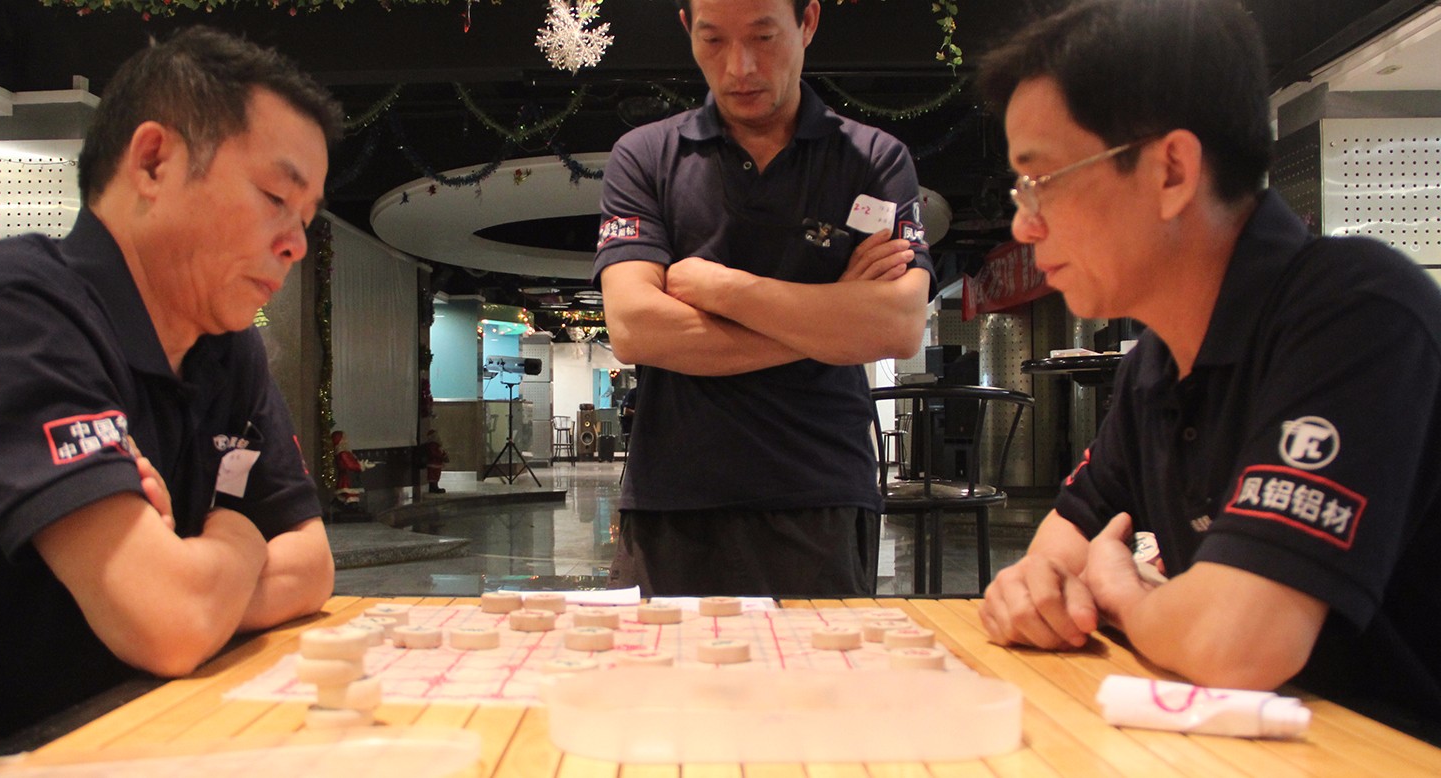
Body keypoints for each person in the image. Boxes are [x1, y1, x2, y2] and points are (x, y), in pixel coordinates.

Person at [0, 27, 342, 772]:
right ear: (153, 161)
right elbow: (171, 623)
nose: (294, 243)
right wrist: (239, 535)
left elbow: (311, 565)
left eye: (304, 217)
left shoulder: (225, 348)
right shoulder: (19, 312)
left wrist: (196, 568)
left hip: (88, 737)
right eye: (275, 197)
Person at [975, 0, 1441, 742]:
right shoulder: (1155, 366)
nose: (1024, 225)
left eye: (1044, 181)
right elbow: (1052, 564)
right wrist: (1033, 593)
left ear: (1172, 171)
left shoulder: (1358, 311)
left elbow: (1240, 643)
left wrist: (1126, 594)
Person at [597, 0, 933, 597]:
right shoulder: (644, 156)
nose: (739, 68)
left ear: (808, 23)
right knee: (660, 663)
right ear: (687, 30)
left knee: (816, 663)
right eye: (714, 41)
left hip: (820, 494)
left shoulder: (874, 159)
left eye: (763, 37)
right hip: (672, 497)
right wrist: (831, 317)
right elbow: (635, 328)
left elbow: (899, 326)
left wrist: (723, 289)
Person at [424, 428, 450, 494]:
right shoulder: (432, 445)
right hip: (433, 463)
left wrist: (444, 456)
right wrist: (441, 456)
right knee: (433, 476)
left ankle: (435, 486)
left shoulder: (437, 445)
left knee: (436, 475)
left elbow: (441, 452)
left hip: (437, 464)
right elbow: (434, 453)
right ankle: (433, 487)